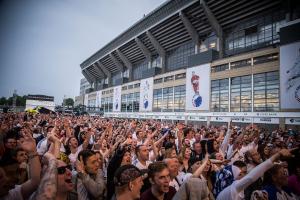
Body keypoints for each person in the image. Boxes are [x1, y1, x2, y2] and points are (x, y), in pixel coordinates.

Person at [216, 148, 295, 200]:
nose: (244, 176)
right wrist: (277, 156)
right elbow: (251, 177)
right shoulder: (229, 191)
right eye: (240, 174)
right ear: (230, 178)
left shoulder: (231, 191)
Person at [0, 128, 41, 200]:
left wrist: (32, 152)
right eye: (0, 177)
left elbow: (35, 182)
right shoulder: (10, 168)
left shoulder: (10, 195)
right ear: (14, 157)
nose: (6, 179)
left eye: (25, 154)